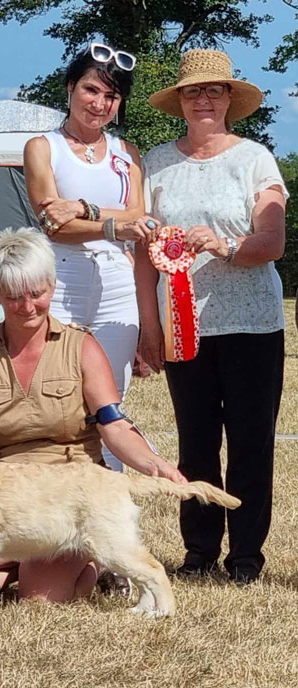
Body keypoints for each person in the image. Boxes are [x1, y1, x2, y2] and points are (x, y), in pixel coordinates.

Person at [0, 227, 185, 603]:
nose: (28, 306)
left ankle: (94, 561)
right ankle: (1, 572)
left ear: (52, 285)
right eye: (14, 297)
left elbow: (114, 425)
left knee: (39, 599)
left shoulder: (83, 348)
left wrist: (152, 463)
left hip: (66, 500)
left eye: (37, 293)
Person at [135, 49, 288, 585]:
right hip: (183, 327)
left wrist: (224, 246)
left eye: (214, 90)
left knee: (251, 443)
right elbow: (140, 251)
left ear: (229, 100)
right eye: (193, 91)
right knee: (195, 442)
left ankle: (246, 556)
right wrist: (148, 326)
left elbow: (272, 244)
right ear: (179, 101)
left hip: (251, 325)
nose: (204, 98)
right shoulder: (154, 163)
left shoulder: (256, 159)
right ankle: (198, 549)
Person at [24, 42, 157, 471]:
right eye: (91, 90)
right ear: (70, 88)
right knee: (56, 393)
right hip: (60, 283)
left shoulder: (127, 154)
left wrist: (85, 208)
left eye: (111, 96)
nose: (100, 104)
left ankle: (106, 501)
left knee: (109, 399)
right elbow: (52, 223)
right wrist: (115, 226)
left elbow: (141, 215)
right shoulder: (43, 147)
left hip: (118, 285)